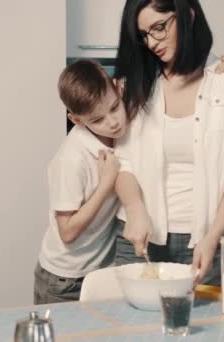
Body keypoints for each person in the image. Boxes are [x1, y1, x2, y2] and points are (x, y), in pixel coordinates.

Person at [112, 0, 224, 286]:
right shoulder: (134, 86)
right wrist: (135, 209)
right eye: (143, 35)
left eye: (158, 28)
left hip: (206, 244)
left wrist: (213, 236)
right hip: (140, 239)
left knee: (206, 328)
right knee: (131, 328)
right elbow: (123, 164)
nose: (152, 42)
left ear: (187, 15)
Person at [34, 59, 127, 303]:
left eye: (115, 107)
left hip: (100, 272)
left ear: (119, 88)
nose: (113, 122)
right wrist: (106, 185)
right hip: (64, 280)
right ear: (77, 120)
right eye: (97, 120)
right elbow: (67, 232)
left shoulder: (123, 131)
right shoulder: (72, 159)